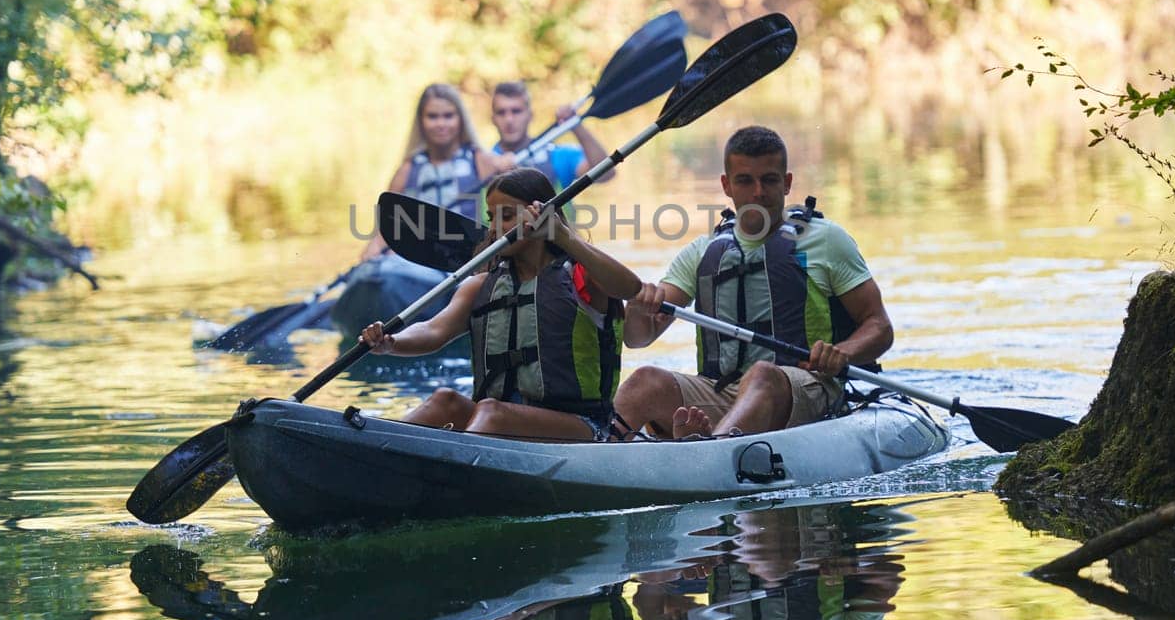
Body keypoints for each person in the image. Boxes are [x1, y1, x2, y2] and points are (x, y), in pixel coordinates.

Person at [614, 125, 893, 439]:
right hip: (721, 392)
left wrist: (842, 352)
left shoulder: (827, 241)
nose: (758, 192)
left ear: (787, 184)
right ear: (727, 185)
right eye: (745, 181)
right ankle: (599, 457)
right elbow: (638, 338)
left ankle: (705, 454)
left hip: (806, 386)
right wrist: (637, 310)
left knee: (762, 376)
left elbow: (879, 326)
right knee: (645, 381)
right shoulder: (703, 251)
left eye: (769, 180)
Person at [360, 167, 641, 441]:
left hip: (582, 427)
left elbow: (630, 287)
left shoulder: (580, 275)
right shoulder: (481, 285)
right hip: (500, 423)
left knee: (491, 412)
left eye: (506, 217)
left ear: (541, 217)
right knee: (444, 401)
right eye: (490, 216)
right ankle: (376, 449)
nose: (494, 228)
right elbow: (434, 330)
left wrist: (563, 236)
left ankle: (455, 471)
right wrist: (392, 342)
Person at [361, 83, 514, 260]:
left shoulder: (479, 160)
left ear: (460, 119)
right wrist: (374, 249)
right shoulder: (409, 169)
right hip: (419, 259)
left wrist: (509, 167)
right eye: (432, 117)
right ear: (421, 120)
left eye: (448, 116)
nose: (441, 124)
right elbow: (384, 230)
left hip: (466, 259)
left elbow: (510, 202)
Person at [489, 81, 615, 188]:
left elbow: (606, 174)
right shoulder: (482, 163)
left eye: (516, 111)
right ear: (493, 118)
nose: (509, 120)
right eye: (501, 112)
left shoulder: (557, 155)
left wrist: (575, 125)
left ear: (530, 115)